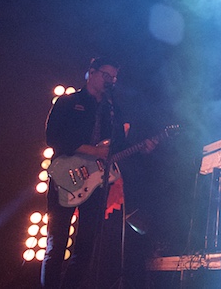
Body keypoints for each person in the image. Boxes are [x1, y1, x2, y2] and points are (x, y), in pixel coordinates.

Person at [41, 56, 152, 288]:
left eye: (114, 77)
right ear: (91, 72)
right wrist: (92, 150)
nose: (110, 81)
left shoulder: (113, 110)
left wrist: (143, 147)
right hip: (65, 175)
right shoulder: (68, 102)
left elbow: (119, 145)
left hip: (95, 182)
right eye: (106, 75)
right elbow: (54, 137)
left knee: (87, 244)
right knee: (57, 241)